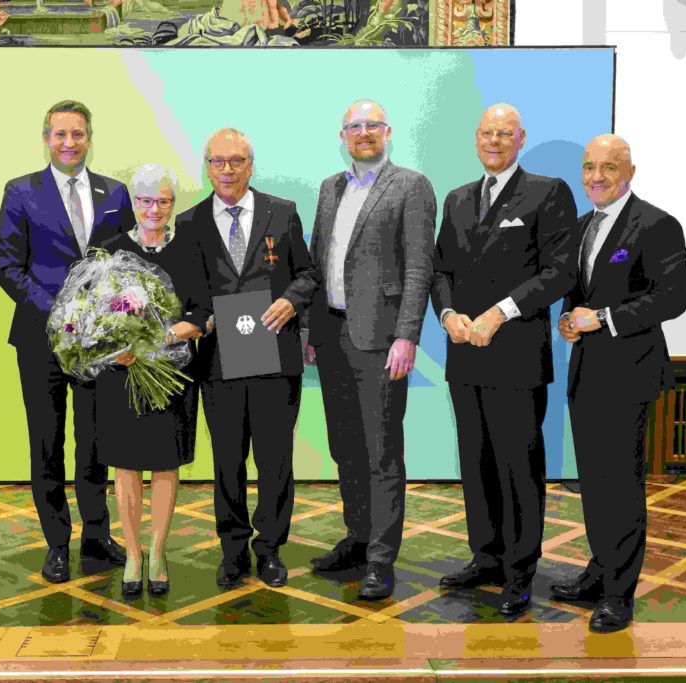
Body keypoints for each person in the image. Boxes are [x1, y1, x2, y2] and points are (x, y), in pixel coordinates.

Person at [432, 102, 577, 615]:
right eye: (486, 133)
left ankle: (520, 569)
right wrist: (448, 314)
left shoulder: (548, 192)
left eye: (504, 133)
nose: (494, 141)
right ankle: (487, 555)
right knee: (475, 462)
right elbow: (440, 269)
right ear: (476, 139)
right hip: (465, 353)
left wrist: (499, 312)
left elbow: (559, 271)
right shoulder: (457, 198)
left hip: (516, 354)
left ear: (521, 139)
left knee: (519, 465)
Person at [0, 100, 135, 584]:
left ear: (89, 138)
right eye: (60, 134)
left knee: (95, 442)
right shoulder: (20, 191)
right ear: (46, 138)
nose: (69, 142)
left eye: (77, 134)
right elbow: (7, 266)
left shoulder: (115, 192)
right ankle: (57, 542)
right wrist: (61, 311)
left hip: (99, 344)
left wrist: (107, 314)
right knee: (46, 442)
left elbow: (126, 265)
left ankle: (97, 535)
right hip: (40, 337)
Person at [554, 134, 686, 632]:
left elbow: (673, 297)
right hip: (586, 373)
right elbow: (575, 293)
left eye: (608, 167)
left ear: (629, 172)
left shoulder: (656, 224)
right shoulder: (582, 225)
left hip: (629, 374)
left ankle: (618, 593)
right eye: (589, 167)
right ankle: (599, 569)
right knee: (593, 482)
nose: (596, 177)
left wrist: (603, 318)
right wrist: (568, 320)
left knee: (622, 486)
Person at [175, 128, 320, 589]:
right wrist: (200, 318)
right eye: (218, 162)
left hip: (276, 356)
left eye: (236, 161)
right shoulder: (190, 222)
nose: (227, 170)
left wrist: (293, 300)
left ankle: (271, 548)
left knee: (276, 460)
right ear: (207, 167)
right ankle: (232, 549)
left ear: (250, 165)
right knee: (227, 461)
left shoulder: (283, 212)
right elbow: (187, 294)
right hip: (219, 362)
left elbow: (309, 274)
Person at [306, 100, 435, 600]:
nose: (364, 133)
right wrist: (311, 333)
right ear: (343, 135)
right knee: (346, 449)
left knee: (382, 452)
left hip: (381, 340)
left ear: (388, 131)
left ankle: (381, 559)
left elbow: (419, 267)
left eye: (372, 126)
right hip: (334, 337)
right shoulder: (330, 188)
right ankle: (357, 539)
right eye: (355, 127)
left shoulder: (411, 186)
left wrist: (408, 335)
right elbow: (319, 262)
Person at [95, 164, 211, 598]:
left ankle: (159, 550)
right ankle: (133, 553)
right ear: (134, 203)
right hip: (122, 375)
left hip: (172, 375)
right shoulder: (109, 251)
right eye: (145, 200)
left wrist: (166, 335)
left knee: (165, 464)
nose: (154, 208)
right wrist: (117, 345)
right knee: (124, 465)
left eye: (163, 200)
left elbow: (202, 313)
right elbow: (92, 318)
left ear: (172, 205)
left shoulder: (190, 250)